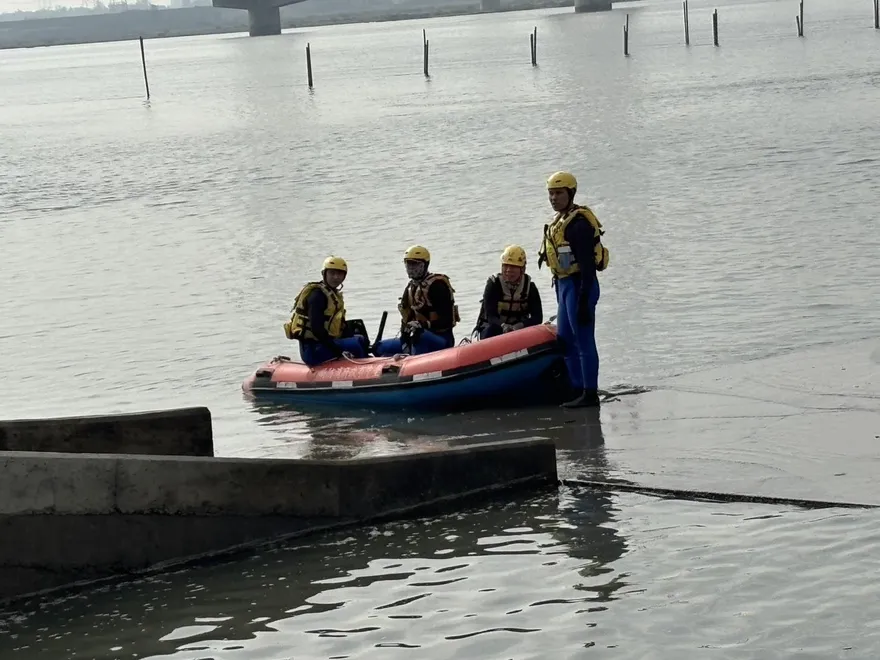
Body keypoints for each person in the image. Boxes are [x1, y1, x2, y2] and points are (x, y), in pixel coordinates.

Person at [537, 171, 610, 408]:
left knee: (584, 339)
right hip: (564, 285)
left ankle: (590, 393)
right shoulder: (560, 221)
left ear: (570, 193)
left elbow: (588, 267)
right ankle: (577, 388)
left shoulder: (578, 225)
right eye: (551, 194)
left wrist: (583, 301)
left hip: (580, 285)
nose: (554, 198)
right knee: (566, 339)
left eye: (558, 193)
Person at [374, 245, 460, 356]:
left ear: (425, 265)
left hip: (440, 339)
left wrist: (423, 325)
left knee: (418, 334)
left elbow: (447, 321)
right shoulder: (410, 288)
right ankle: (400, 363)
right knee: (379, 347)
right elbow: (406, 319)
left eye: (415, 264)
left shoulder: (437, 286)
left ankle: (415, 362)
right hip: (414, 338)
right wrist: (405, 340)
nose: (411, 268)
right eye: (408, 264)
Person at [283, 256, 369, 367]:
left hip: (324, 345)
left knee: (361, 339)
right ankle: (364, 369)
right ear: (324, 274)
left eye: (340, 274)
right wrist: (338, 350)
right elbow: (316, 329)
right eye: (332, 273)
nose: (336, 277)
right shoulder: (317, 296)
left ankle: (368, 362)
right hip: (313, 350)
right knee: (356, 344)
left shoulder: (332, 295)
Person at [474, 245, 543, 339]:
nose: (508, 270)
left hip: (519, 328)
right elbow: (491, 316)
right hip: (496, 327)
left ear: (522, 269)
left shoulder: (530, 287)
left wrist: (519, 326)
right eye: (505, 266)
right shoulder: (494, 284)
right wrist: (503, 326)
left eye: (513, 266)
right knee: (491, 330)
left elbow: (537, 317)